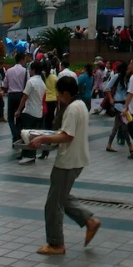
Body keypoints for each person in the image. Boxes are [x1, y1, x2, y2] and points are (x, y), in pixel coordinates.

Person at [29, 75, 101, 255]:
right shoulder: (81, 104)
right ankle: (89, 221)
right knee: (61, 196)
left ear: (66, 93)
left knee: (53, 204)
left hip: (68, 161)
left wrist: (43, 138)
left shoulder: (72, 109)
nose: (59, 98)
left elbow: (67, 135)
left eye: (60, 95)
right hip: (77, 159)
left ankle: (56, 243)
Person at [15, 62, 46, 164]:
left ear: (33, 69)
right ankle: (28, 154)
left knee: (26, 135)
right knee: (34, 135)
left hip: (29, 112)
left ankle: (29, 155)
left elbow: (24, 97)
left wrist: (18, 110)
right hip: (38, 112)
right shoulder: (42, 82)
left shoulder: (31, 81)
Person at [104, 62, 133, 155]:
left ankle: (109, 145)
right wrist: (110, 99)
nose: (130, 68)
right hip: (118, 104)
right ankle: (130, 145)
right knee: (124, 125)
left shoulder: (129, 77)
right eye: (128, 67)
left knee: (117, 126)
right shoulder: (117, 76)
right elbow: (107, 88)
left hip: (125, 104)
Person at [3, 53, 28, 142]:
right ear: (21, 60)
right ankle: (18, 134)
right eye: (25, 59)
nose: (25, 61)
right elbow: (27, 83)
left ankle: (14, 134)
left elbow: (5, 84)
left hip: (12, 95)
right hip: (21, 95)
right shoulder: (25, 71)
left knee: (10, 118)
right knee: (19, 117)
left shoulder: (9, 71)